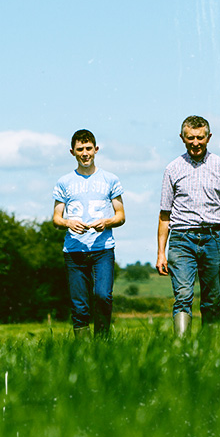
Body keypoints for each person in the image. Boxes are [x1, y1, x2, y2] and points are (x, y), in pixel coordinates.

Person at [156, 115, 220, 335]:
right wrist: (161, 253)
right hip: (181, 239)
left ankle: (209, 349)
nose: (195, 142)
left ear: (209, 137)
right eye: (190, 138)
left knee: (212, 300)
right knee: (182, 296)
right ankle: (181, 348)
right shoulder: (172, 169)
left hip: (215, 238)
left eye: (200, 137)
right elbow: (164, 215)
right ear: (182, 138)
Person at [53, 129, 125, 338]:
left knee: (103, 296)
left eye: (88, 148)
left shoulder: (110, 179)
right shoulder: (64, 182)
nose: (85, 153)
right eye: (80, 149)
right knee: (79, 304)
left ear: (96, 149)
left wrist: (107, 221)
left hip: (103, 250)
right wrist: (68, 223)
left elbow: (120, 215)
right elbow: (56, 218)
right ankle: (84, 353)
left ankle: (102, 344)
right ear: (72, 152)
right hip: (74, 250)